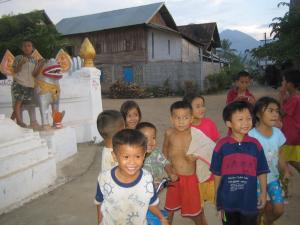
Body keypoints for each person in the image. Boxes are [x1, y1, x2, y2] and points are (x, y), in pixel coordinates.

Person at [210, 101, 269, 225]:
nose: (246, 122)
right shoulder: (221, 146)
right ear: (229, 123)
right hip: (227, 202)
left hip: (249, 201)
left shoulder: (256, 145)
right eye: (240, 119)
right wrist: (217, 195)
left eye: (249, 118)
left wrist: (263, 193)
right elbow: (217, 174)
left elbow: (262, 171)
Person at [94, 129, 169, 225]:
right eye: (126, 157)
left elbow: (151, 203)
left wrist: (162, 218)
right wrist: (99, 222)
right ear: (114, 156)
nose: (132, 162)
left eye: (137, 156)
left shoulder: (147, 178)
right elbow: (100, 203)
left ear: (144, 155)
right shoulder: (104, 179)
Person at [248, 97, 291, 225]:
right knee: (259, 210)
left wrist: (285, 172)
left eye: (277, 111)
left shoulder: (278, 134)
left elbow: (281, 157)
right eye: (270, 111)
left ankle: (266, 222)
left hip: (273, 179)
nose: (275, 114)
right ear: (258, 114)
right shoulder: (251, 136)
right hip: (255, 182)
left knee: (279, 209)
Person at [183, 93, 220, 225]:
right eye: (197, 106)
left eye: (203, 105)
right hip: (194, 175)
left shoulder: (209, 123)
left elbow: (215, 145)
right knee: (198, 208)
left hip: (210, 174)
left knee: (211, 203)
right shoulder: (186, 128)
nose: (202, 109)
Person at [163, 101, 202, 225]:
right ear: (171, 118)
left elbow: (206, 151)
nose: (181, 121)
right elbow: (163, 156)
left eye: (185, 118)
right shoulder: (169, 133)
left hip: (190, 179)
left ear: (191, 118)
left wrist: (196, 156)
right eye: (177, 118)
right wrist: (169, 172)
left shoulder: (195, 135)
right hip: (174, 178)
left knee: (196, 212)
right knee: (170, 209)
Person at [11, 40, 40, 128]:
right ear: (22, 48)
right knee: (18, 102)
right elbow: (14, 70)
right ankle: (19, 122)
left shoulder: (34, 60)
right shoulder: (18, 57)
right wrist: (21, 63)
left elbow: (34, 74)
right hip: (19, 83)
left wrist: (40, 65)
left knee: (23, 104)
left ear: (33, 48)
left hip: (29, 85)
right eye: (25, 46)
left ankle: (11, 120)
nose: (27, 48)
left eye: (29, 46)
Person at [279, 69, 300, 172]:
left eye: (283, 81)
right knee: (289, 157)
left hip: (291, 134)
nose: (282, 83)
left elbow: (281, 113)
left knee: (285, 158)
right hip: (295, 133)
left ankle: (282, 183)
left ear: (290, 84)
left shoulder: (294, 99)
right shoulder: (295, 96)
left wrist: (281, 97)